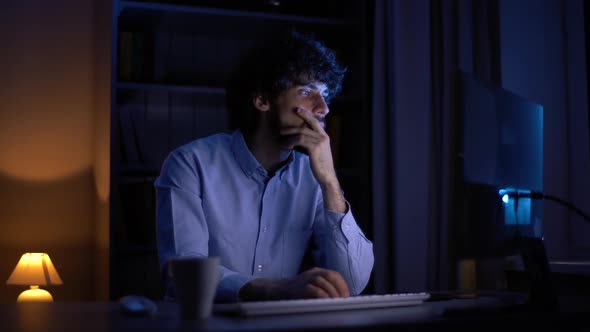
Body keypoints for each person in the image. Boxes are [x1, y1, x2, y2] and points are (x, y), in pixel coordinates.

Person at [155, 30, 374, 303]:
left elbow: (352, 283)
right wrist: (274, 289)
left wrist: (330, 181)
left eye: (325, 94)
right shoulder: (189, 163)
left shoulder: (313, 177)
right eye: (307, 91)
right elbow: (183, 273)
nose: (323, 108)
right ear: (262, 100)